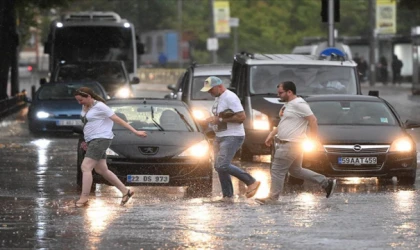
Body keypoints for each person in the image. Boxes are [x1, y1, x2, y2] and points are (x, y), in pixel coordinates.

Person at [255, 81, 337, 205]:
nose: (278, 95)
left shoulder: (299, 104)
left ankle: (272, 198)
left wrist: (314, 139)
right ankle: (326, 182)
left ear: (290, 92)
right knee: (296, 170)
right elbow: (285, 123)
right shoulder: (289, 105)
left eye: (281, 93)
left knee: (277, 170)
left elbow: (313, 120)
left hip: (290, 143)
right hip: (292, 143)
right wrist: (272, 134)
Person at [74, 87, 147, 207]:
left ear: (88, 96)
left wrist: (135, 131)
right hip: (92, 140)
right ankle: (125, 191)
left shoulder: (100, 106)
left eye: (81, 100)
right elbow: (90, 123)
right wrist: (87, 140)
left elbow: (118, 120)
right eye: (77, 100)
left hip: (101, 139)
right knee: (101, 170)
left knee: (85, 167)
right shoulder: (85, 106)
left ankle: (84, 197)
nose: (79, 103)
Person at [200, 76, 261, 202]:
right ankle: (227, 196)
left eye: (211, 89)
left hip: (232, 135)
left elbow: (241, 117)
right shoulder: (218, 98)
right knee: (218, 166)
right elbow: (220, 117)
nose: (209, 92)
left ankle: (251, 181)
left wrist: (220, 120)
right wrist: (210, 121)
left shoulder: (230, 97)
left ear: (219, 86)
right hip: (220, 136)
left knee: (223, 165)